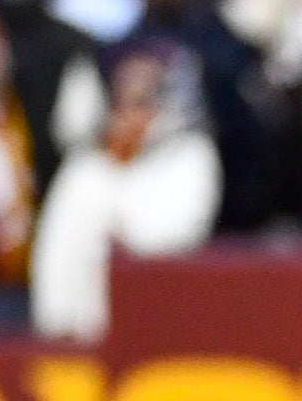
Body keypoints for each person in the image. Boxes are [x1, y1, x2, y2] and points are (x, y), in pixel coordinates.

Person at [28, 44, 222, 339]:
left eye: (143, 100)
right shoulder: (86, 169)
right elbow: (54, 253)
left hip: (161, 326)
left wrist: (116, 223)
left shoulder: (191, 156)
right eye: (122, 100)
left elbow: (177, 234)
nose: (128, 113)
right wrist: (54, 325)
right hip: (78, 334)